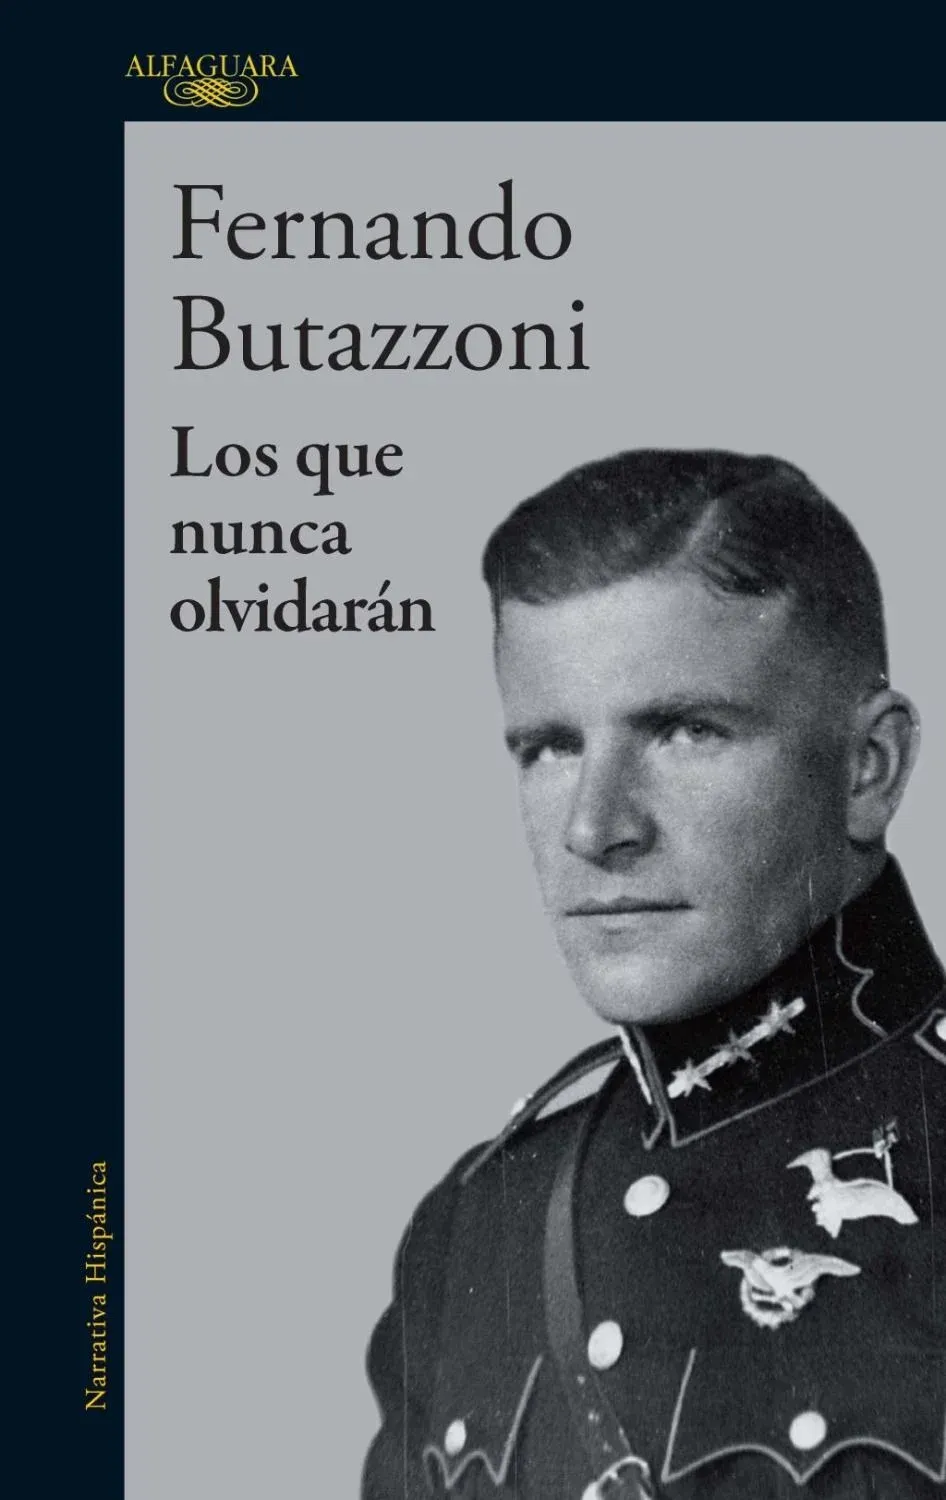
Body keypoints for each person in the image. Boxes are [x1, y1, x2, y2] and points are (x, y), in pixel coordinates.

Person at [361, 450, 945, 1500]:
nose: (594, 829)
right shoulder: (477, 1228)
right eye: (548, 748)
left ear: (870, 768)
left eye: (685, 731)